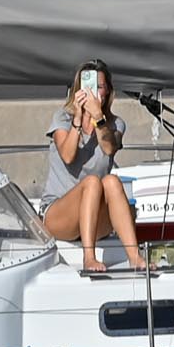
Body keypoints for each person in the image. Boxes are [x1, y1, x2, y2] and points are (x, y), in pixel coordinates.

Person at [43, 59, 147, 275]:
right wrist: (79, 120)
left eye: (99, 86)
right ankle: (89, 257)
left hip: (95, 217)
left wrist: (98, 117)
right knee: (91, 183)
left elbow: (109, 148)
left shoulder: (115, 124)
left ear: (108, 90)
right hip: (59, 214)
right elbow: (68, 155)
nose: (93, 92)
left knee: (111, 181)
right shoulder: (63, 118)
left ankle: (134, 256)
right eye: (88, 86)